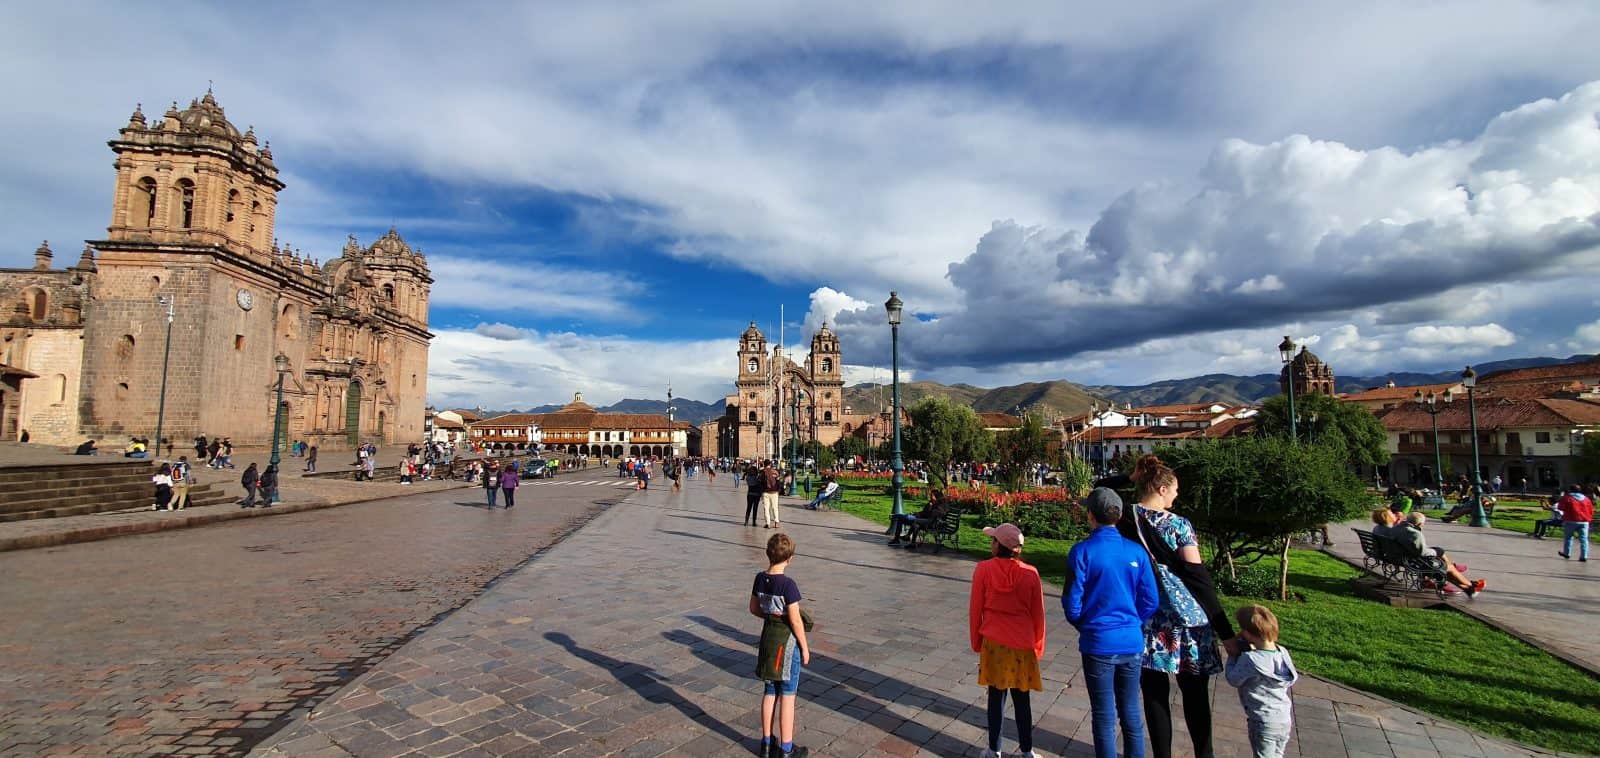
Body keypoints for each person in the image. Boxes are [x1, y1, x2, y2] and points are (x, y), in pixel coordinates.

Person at [1118, 455, 1234, 758]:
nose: (1176, 495)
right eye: (1174, 489)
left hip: (1147, 620)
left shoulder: (1125, 518)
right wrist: (1225, 630)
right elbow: (1197, 577)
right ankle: (1204, 754)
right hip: (1187, 622)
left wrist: (1130, 478)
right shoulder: (1179, 525)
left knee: (1154, 698)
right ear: (1160, 488)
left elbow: (1099, 489)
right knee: (1195, 697)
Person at [1065, 488, 1159, 758]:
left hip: (1098, 641)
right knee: (1131, 711)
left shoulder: (1082, 552)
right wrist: (1132, 622)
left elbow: (1072, 600)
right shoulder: (1136, 552)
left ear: (1090, 516)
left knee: (1104, 715)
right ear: (1118, 516)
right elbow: (1150, 599)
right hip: (1130, 640)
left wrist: (1086, 624)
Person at [969, 523, 1045, 758]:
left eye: (993, 540)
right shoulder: (1030, 573)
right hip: (1022, 643)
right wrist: (1038, 645)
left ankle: (994, 749)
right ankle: (1027, 750)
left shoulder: (983, 569)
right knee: (1022, 699)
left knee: (996, 696)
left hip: (994, 641)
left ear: (998, 546)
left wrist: (976, 641)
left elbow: (975, 609)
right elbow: (1038, 613)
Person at [750, 533, 811, 758]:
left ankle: (766, 743)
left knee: (769, 691)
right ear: (790, 558)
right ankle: (786, 748)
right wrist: (804, 647)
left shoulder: (759, 578)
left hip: (767, 638)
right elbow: (795, 619)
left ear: (768, 554)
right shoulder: (788, 585)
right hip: (786, 644)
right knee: (787, 694)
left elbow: (754, 608)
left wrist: (770, 615)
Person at [1224, 606, 1300, 758]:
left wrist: (1232, 657)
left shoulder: (1250, 659)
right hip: (1284, 719)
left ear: (1247, 634)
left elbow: (1233, 679)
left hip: (1262, 721)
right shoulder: (1282, 652)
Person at [1395, 512, 1486, 597]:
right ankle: (1471, 585)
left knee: (1444, 566)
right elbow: (1422, 552)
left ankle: (1468, 589)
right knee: (1447, 568)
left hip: (1403, 558)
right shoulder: (1415, 533)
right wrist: (1435, 552)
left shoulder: (1398, 528)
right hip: (1415, 561)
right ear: (1419, 524)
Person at [1557, 483, 1592, 561]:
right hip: (1584, 521)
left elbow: (1560, 507)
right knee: (1584, 539)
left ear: (1570, 490)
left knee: (1568, 537)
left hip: (1570, 520)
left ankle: (1567, 553)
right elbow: (1590, 510)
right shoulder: (1586, 499)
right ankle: (1584, 556)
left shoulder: (1567, 498)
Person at [762, 461, 783, 528]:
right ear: (770, 464)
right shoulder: (775, 472)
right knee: (775, 508)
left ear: (764, 465)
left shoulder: (762, 472)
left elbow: (759, 483)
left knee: (766, 508)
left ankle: (768, 523)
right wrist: (778, 490)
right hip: (774, 493)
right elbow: (778, 481)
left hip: (765, 492)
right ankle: (776, 522)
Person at [745, 462, 765, 526]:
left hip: (750, 494)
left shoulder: (748, 478)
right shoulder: (757, 478)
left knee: (748, 508)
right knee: (755, 509)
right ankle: (754, 522)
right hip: (756, 495)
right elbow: (759, 484)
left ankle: (746, 521)